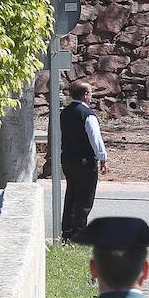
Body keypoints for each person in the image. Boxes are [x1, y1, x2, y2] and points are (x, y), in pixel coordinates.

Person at [60, 81, 107, 242]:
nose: (91, 95)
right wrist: (102, 157)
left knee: (71, 195)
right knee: (85, 198)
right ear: (85, 95)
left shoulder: (64, 112)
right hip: (84, 161)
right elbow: (95, 138)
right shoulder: (87, 114)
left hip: (67, 159)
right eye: (90, 92)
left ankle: (67, 232)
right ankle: (79, 232)